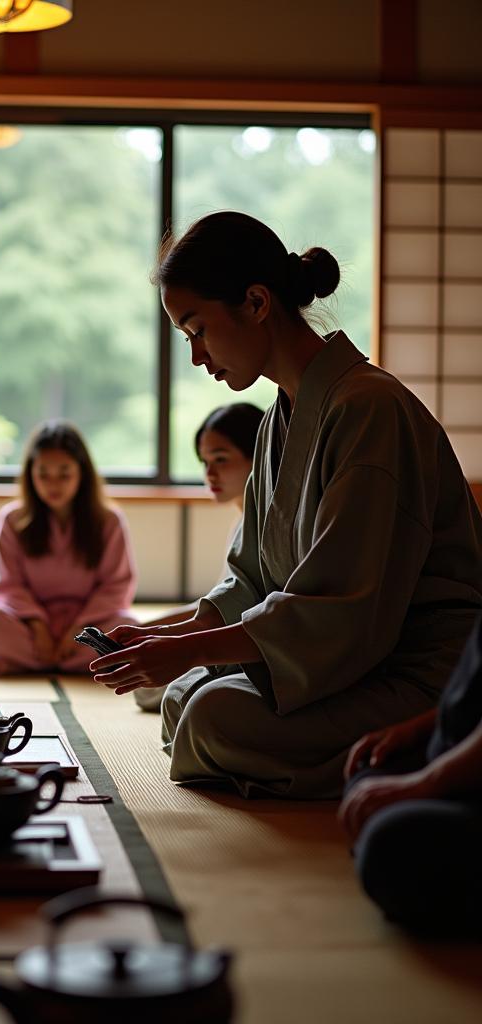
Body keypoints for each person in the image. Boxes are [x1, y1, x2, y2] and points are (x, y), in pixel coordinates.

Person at [89, 211, 482, 798]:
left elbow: (343, 609)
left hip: (416, 675)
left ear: (255, 302)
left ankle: (420, 757)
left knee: (212, 716)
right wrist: (158, 641)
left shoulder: (369, 408)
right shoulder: (280, 418)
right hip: (344, 662)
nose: (197, 356)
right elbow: (251, 581)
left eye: (197, 329)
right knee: (184, 696)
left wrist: (187, 650)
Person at [338, 613, 482, 934]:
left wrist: (427, 783)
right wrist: (416, 730)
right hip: (457, 749)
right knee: (370, 767)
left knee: (388, 847)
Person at [0, 420, 138, 675]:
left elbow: (116, 586)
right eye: (43, 474)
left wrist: (78, 631)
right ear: (30, 474)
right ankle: (77, 663)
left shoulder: (108, 520)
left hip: (87, 625)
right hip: (28, 626)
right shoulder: (13, 519)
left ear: (82, 473)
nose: (53, 484)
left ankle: (28, 662)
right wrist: (38, 627)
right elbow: (7, 583)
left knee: (129, 627)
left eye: (64, 473)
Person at [134, 402, 262, 710]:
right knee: (147, 684)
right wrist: (144, 632)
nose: (209, 473)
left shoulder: (265, 524)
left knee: (161, 689)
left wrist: (154, 635)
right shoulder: (241, 522)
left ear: (258, 455)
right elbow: (213, 606)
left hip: (252, 646)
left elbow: (231, 614)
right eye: (204, 462)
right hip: (224, 637)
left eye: (220, 459)